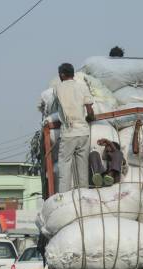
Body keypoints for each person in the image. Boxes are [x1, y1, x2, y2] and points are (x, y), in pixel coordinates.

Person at [53, 63, 95, 192]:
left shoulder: (57, 88)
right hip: (83, 132)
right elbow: (90, 111)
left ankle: (63, 197)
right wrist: (88, 119)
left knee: (64, 166)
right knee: (82, 167)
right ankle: (84, 194)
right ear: (73, 74)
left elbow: (56, 105)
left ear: (62, 75)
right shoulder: (82, 87)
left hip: (68, 132)